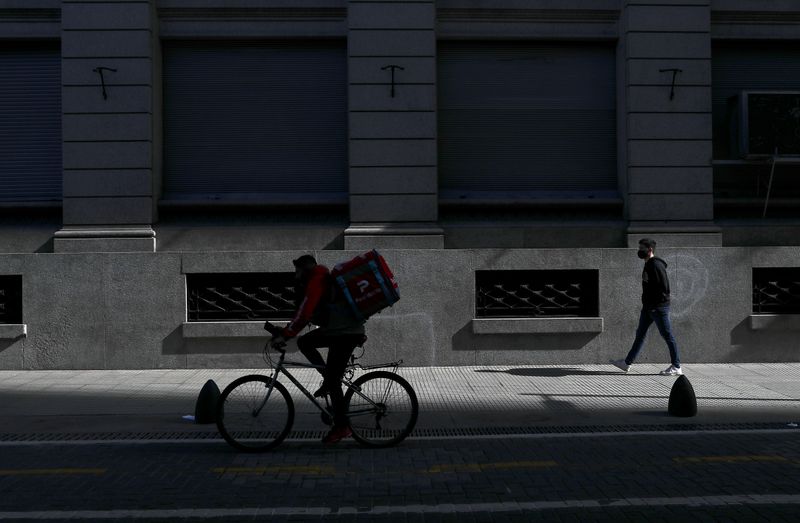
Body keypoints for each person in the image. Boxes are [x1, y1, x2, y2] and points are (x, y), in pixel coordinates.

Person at [268, 254, 366, 444]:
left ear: (305, 269)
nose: (296, 276)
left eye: (297, 271)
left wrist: (287, 334)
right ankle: (328, 379)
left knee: (331, 377)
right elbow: (302, 312)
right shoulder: (318, 278)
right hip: (339, 331)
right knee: (308, 346)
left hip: (344, 333)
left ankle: (342, 427)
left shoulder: (317, 280)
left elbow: (305, 313)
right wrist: (287, 330)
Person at [611, 238, 683, 376]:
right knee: (640, 335)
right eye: (639, 247)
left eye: (642, 248)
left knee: (667, 335)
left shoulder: (656, 265)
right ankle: (627, 363)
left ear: (650, 250)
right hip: (648, 308)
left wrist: (656, 305)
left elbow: (665, 288)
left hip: (657, 308)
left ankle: (676, 366)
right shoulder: (648, 264)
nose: (639, 250)